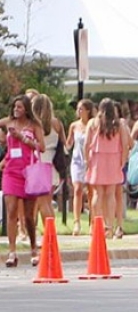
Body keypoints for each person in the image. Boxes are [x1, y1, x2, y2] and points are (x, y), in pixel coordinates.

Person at [0, 95, 45, 267]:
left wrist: (24, 138)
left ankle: (34, 248)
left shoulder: (34, 126)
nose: (16, 110)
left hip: (29, 170)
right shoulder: (10, 125)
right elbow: (10, 147)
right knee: (11, 210)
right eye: (14, 107)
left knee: (28, 215)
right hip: (11, 170)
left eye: (19, 107)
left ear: (26, 109)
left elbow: (41, 147)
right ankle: (12, 251)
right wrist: (4, 158)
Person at [86, 97, 127, 243]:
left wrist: (87, 160)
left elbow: (86, 144)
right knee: (110, 193)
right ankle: (109, 225)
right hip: (113, 158)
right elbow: (125, 143)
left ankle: (98, 224)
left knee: (97, 193)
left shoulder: (93, 123)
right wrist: (122, 161)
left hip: (97, 158)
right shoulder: (119, 124)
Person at [30, 94, 63, 229]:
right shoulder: (56, 124)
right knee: (48, 202)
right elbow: (64, 144)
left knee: (37, 203)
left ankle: (41, 231)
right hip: (52, 164)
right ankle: (51, 231)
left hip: (38, 163)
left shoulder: (33, 124)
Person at [69, 98, 94, 236]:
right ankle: (76, 221)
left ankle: (92, 222)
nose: (78, 111)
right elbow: (69, 142)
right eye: (78, 109)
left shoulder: (92, 125)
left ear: (88, 111)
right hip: (77, 160)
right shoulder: (74, 126)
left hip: (90, 161)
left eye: (81, 109)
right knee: (77, 189)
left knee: (90, 192)